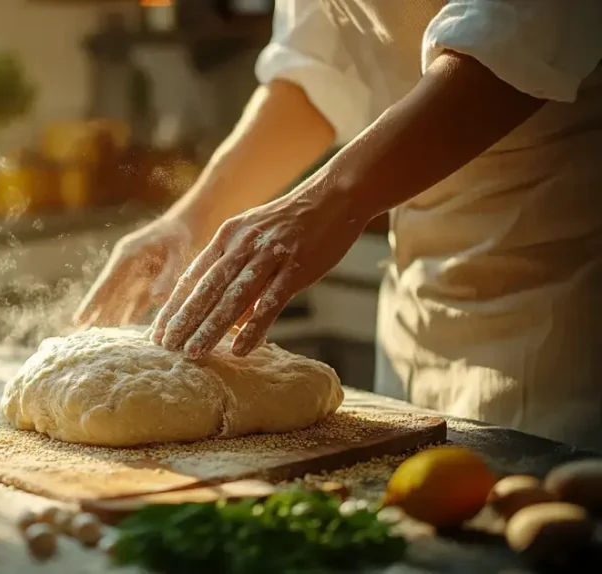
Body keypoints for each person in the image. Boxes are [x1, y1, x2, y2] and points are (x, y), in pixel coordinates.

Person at [74, 0, 602, 453]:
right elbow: (313, 74)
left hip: (560, 296)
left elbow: (517, 36)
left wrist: (332, 198)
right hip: (419, 295)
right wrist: (189, 220)